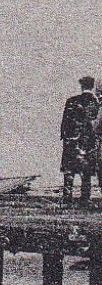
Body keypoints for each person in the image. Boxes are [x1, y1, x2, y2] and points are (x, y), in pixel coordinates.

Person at [60, 76, 98, 204]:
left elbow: (64, 122)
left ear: (81, 86)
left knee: (69, 170)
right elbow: (95, 123)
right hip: (86, 142)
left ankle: (67, 196)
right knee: (86, 172)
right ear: (92, 86)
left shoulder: (71, 101)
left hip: (71, 141)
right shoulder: (94, 101)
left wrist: (65, 137)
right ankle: (85, 198)